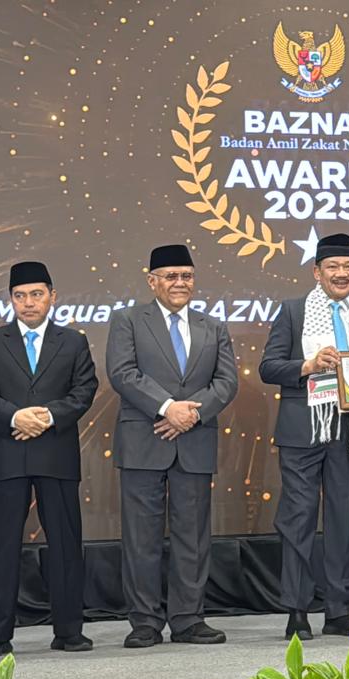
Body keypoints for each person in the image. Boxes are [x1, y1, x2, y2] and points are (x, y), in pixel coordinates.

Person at [107, 244, 238, 647]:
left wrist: (191, 414)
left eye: (186, 276)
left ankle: (188, 619)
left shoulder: (213, 326)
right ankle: (145, 621)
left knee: (193, 536)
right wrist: (168, 407)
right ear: (153, 281)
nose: (180, 283)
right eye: (170, 276)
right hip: (143, 439)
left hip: (194, 439)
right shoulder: (127, 320)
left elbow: (226, 382)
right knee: (141, 536)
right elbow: (122, 373)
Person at [259, 233, 349, 640]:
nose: (341, 273)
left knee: (344, 521)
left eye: (348, 266)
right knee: (298, 519)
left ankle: (339, 610)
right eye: (333, 267)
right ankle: (297, 610)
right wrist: (309, 365)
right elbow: (268, 367)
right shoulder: (293, 311)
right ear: (317, 272)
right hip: (304, 430)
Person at [0, 262, 98, 657]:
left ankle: (69, 631)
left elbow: (84, 389)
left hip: (55, 452)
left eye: (36, 294)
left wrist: (46, 417)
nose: (28, 302)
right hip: (6, 453)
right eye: (20, 296)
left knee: (65, 544)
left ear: (52, 297)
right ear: (11, 299)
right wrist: (15, 417)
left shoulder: (73, 341)